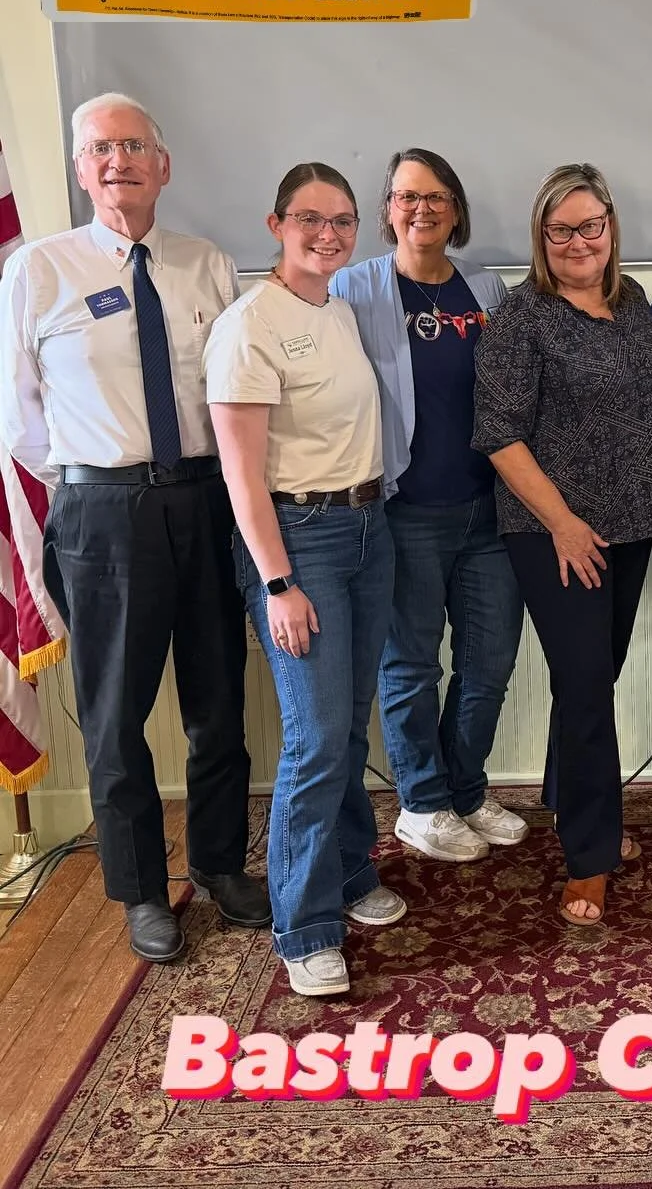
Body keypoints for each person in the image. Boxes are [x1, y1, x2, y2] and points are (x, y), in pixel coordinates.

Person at [0, 92, 266, 963]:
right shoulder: (37, 269)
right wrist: (99, 480)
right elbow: (21, 424)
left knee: (217, 701)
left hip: (205, 497)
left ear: (164, 164)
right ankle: (143, 890)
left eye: (135, 146)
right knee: (116, 717)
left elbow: (231, 395)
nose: (118, 160)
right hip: (102, 513)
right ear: (81, 169)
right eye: (100, 148)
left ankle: (222, 866)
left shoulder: (206, 263)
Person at [474, 163, 652, 926]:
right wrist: (564, 522)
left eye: (590, 226)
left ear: (611, 229)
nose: (577, 241)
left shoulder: (631, 300)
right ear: (541, 237)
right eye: (560, 229)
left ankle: (575, 804)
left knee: (595, 674)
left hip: (631, 521)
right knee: (586, 682)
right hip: (554, 530)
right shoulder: (522, 317)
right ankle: (590, 855)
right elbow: (499, 434)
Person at [205, 162, 403, 998]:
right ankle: (305, 922)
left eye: (344, 220)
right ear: (276, 222)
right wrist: (278, 582)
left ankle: (352, 871)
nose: (329, 234)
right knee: (316, 739)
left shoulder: (343, 310)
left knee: (350, 727)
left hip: (368, 529)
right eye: (310, 219)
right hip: (301, 543)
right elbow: (241, 476)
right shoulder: (248, 324)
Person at [331, 149, 526, 865]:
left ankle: (465, 790)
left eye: (438, 195)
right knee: (411, 665)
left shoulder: (488, 290)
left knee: (490, 662)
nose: (424, 208)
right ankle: (421, 801)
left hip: (488, 512)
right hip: (405, 511)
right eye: (409, 195)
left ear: (457, 208)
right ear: (387, 208)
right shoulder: (352, 290)